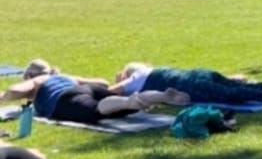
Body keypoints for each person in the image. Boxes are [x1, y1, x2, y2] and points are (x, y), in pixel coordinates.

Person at [1, 59, 189, 125]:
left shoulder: (39, 80)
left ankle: (129, 101)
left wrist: (4, 97)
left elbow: (14, 90)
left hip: (64, 98)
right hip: (86, 88)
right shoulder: (66, 76)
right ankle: (162, 95)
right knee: (122, 109)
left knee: (96, 109)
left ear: (31, 75)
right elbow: (102, 82)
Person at [110, 63, 262, 107]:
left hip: (187, 83)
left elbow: (111, 91)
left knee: (223, 93)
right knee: (229, 85)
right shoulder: (155, 69)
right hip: (198, 73)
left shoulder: (136, 76)